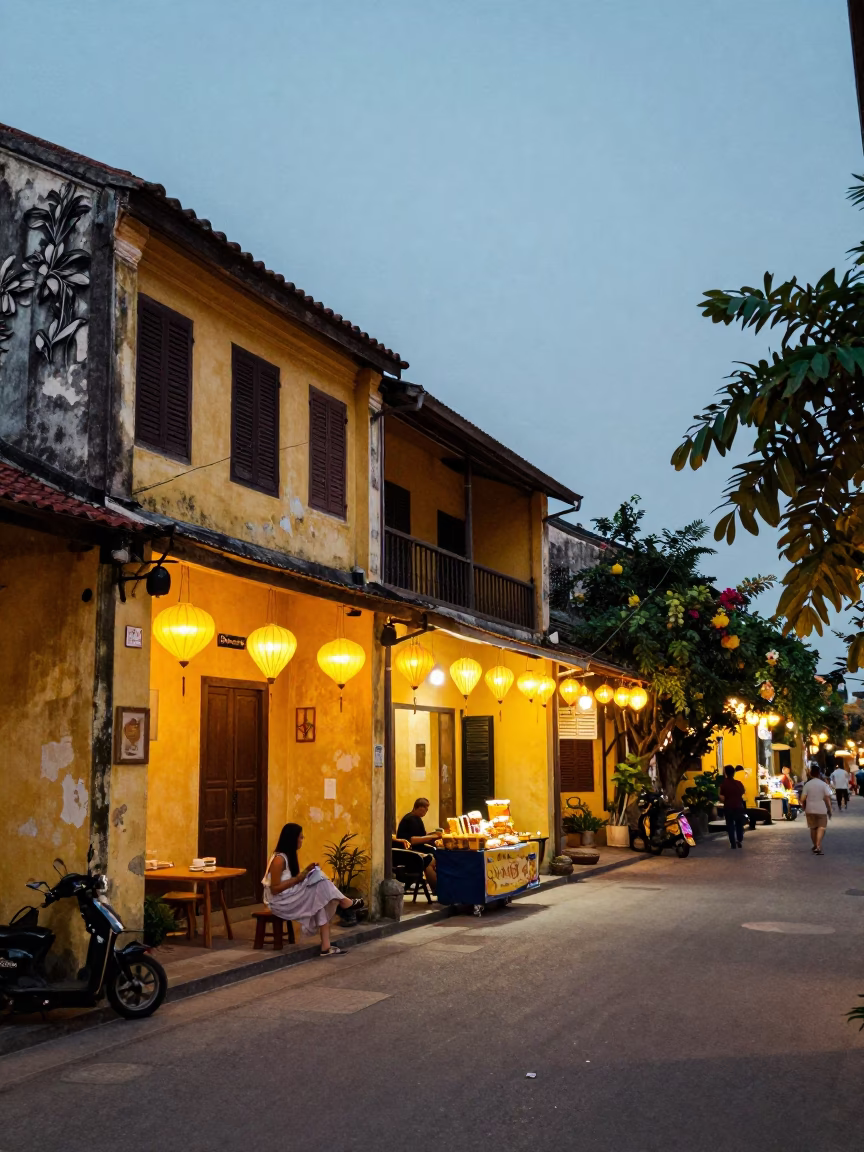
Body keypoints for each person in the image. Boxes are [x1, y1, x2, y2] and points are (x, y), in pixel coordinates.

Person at [263, 823, 363, 957]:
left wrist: (306, 873)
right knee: (319, 880)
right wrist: (299, 878)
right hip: (280, 902)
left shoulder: (288, 856)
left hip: (290, 896)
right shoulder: (278, 860)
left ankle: (325, 947)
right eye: (300, 837)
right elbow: (274, 890)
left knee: (319, 891)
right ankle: (345, 902)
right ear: (292, 839)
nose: (302, 838)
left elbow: (295, 880)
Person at [396, 798, 440, 889]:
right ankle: (436, 888)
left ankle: (438, 885)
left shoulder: (416, 818)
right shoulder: (410, 819)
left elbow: (421, 836)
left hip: (413, 850)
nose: (426, 812)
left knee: (436, 852)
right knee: (430, 858)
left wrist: (433, 836)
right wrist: (432, 837)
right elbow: (413, 840)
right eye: (426, 809)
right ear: (419, 807)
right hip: (407, 853)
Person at [801, 767, 833, 855]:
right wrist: (829, 809)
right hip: (821, 809)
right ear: (819, 774)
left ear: (811, 774)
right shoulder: (823, 784)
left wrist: (803, 806)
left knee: (813, 827)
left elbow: (803, 798)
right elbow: (827, 798)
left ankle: (815, 845)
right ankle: (818, 845)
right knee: (821, 827)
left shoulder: (807, 784)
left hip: (810, 809)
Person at [719, 764, 746, 849]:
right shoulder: (738, 783)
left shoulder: (723, 784)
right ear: (734, 773)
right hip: (738, 806)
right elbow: (743, 792)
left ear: (726, 773)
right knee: (739, 824)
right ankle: (739, 840)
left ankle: (733, 843)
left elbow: (721, 797)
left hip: (728, 807)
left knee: (730, 825)